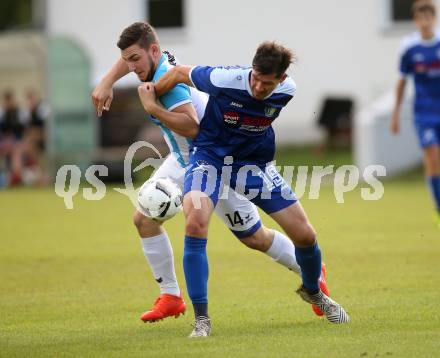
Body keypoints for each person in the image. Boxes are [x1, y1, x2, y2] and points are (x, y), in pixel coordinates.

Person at [92, 22, 329, 327]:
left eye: (135, 59)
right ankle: (171, 297)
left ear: (153, 52)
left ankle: (311, 272)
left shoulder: (172, 84)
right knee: (144, 219)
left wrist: (151, 104)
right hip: (184, 159)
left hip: (214, 157)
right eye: (129, 60)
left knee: (254, 238)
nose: (131, 65)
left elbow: (192, 127)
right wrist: (106, 82)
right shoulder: (155, 59)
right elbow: (135, 49)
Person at [140, 41, 350, 337]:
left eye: (267, 83)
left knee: (305, 234)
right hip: (209, 157)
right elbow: (177, 74)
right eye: (255, 78)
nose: (259, 86)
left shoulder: (288, 90)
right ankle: (202, 320)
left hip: (254, 165)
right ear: (251, 69)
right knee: (195, 222)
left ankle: (314, 292)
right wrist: (153, 99)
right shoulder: (224, 78)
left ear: (281, 79)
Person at [391, 0, 440, 227]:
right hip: (424, 114)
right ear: (416, 20)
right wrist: (395, 114)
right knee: (433, 160)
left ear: (434, 18)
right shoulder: (410, 48)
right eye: (421, 17)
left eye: (429, 17)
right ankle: (439, 205)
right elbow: (402, 83)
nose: (425, 21)